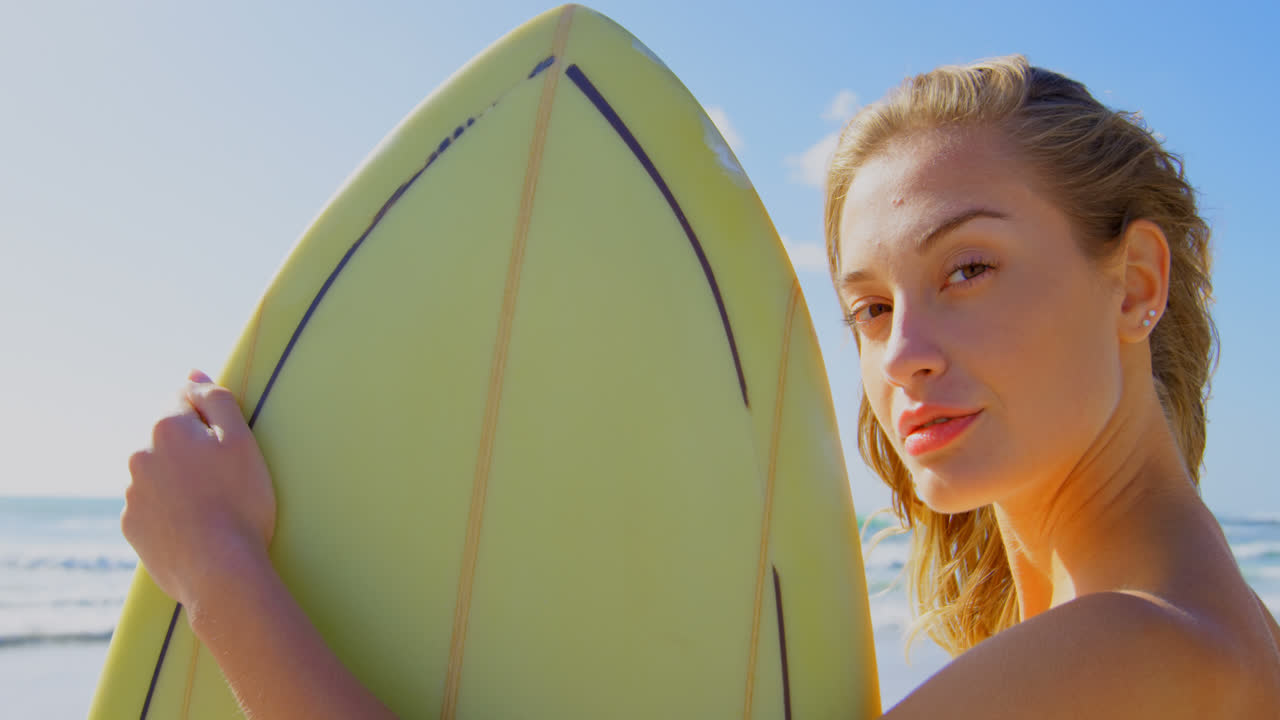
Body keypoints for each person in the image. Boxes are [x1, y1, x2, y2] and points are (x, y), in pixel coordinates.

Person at [123, 55, 1280, 718]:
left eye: (965, 269)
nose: (902, 353)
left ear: (1133, 285)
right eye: (869, 308)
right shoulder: (1204, 639)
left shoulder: (1137, 653)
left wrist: (218, 565)